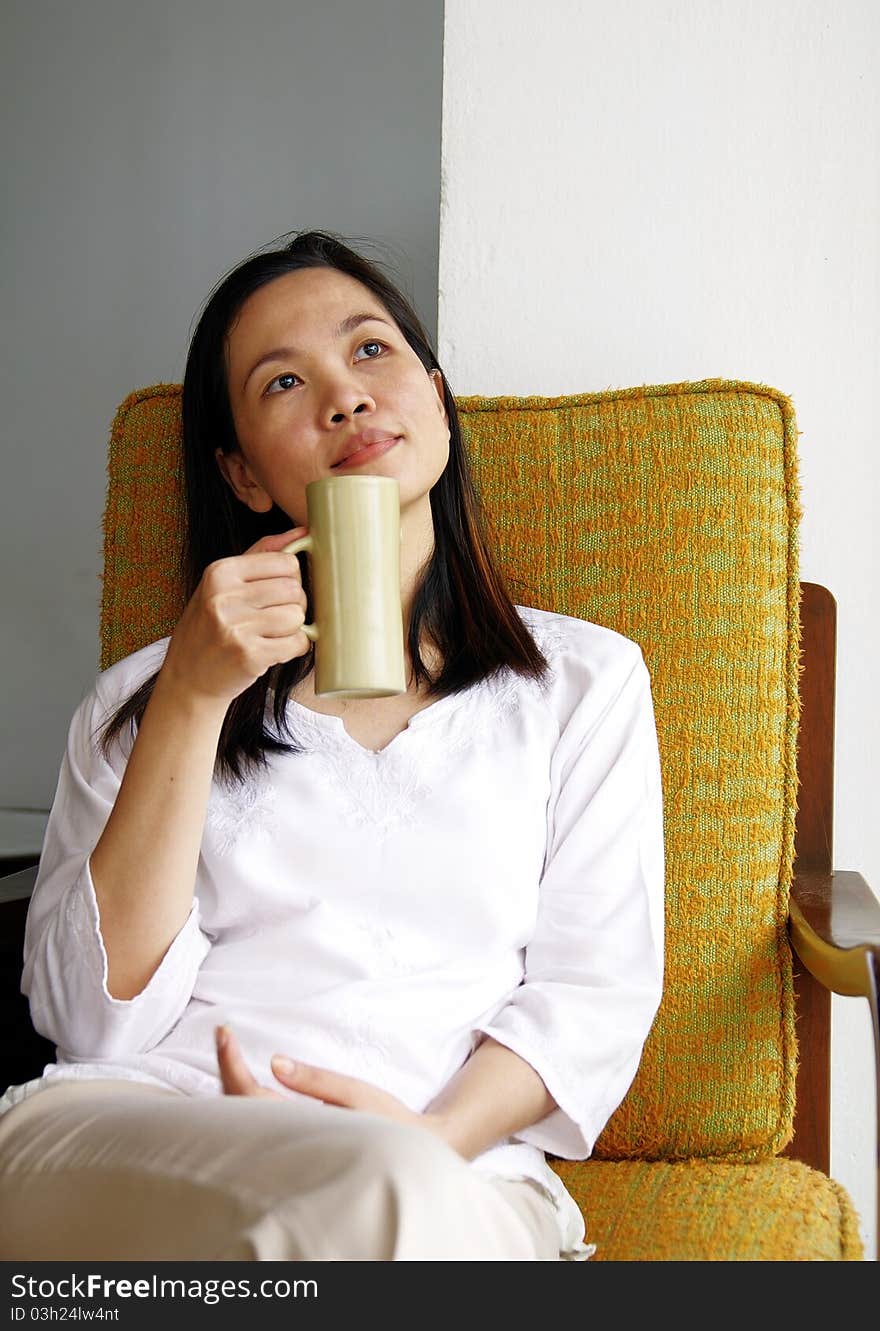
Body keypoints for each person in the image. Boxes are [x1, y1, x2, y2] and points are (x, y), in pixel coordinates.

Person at [0, 230, 665, 1262]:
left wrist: (431, 1138)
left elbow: (592, 995)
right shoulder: (140, 698)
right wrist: (190, 695)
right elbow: (89, 1022)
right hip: (150, 1135)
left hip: (441, 1169)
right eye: (283, 382)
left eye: (370, 352)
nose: (344, 399)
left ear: (436, 400)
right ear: (244, 474)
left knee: (384, 1198)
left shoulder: (581, 684)